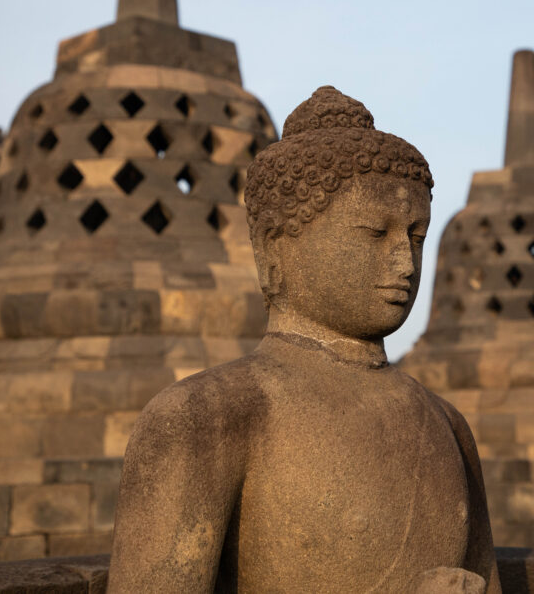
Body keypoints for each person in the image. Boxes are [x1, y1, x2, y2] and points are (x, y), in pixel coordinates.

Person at [108, 86, 500, 593]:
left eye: (416, 236)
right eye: (375, 234)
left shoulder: (448, 425)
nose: (404, 263)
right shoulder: (208, 416)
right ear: (277, 248)